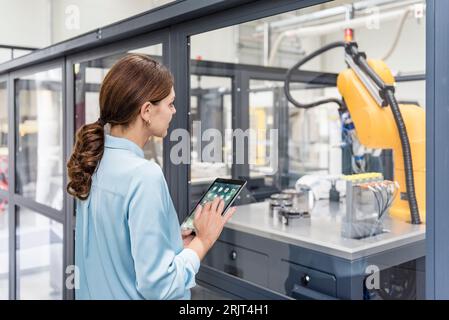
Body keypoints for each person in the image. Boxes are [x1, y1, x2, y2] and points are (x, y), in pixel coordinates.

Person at [66, 53, 236, 299]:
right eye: (169, 103)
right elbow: (159, 286)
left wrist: (171, 241)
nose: (174, 111)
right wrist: (203, 242)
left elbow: (113, 249)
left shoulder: (94, 161)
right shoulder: (144, 176)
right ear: (146, 110)